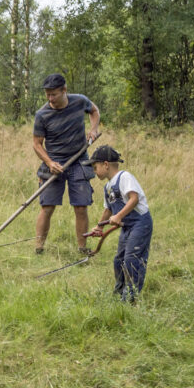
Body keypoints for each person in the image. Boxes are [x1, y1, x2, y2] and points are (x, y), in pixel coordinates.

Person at [32, 73, 101, 255]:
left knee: (80, 206)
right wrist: (49, 162)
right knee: (47, 207)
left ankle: (82, 249)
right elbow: (37, 144)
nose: (50, 98)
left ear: (64, 90)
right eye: (47, 94)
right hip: (53, 163)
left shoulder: (80, 101)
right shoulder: (42, 114)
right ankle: (39, 249)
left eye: (53, 94)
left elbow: (94, 111)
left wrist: (94, 130)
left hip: (79, 160)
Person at [89, 145, 153, 303]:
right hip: (127, 226)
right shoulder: (108, 186)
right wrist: (99, 226)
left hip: (140, 223)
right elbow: (108, 209)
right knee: (119, 260)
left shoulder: (124, 177)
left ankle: (131, 299)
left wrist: (119, 216)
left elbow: (134, 198)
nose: (94, 171)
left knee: (132, 259)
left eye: (95, 167)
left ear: (106, 164)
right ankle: (119, 294)